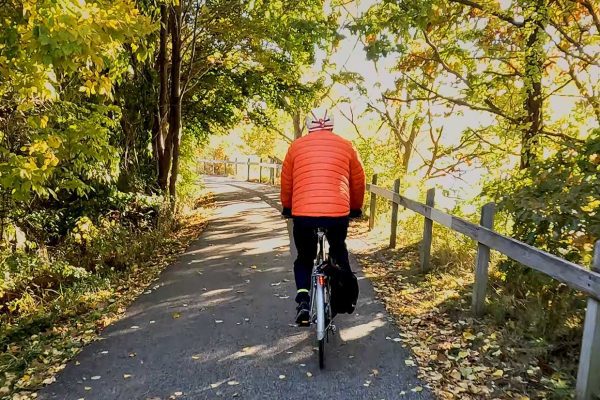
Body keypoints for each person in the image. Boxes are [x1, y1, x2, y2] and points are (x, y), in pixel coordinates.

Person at [280, 107, 366, 326]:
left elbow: (287, 182)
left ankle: (302, 301)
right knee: (338, 249)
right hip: (337, 214)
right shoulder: (346, 146)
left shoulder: (295, 147)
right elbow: (358, 181)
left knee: (304, 258)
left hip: (303, 215)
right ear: (332, 124)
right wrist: (355, 207)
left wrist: (287, 207)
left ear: (308, 125)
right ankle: (344, 291)